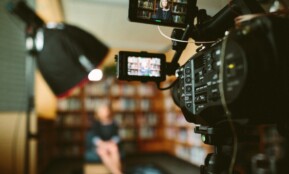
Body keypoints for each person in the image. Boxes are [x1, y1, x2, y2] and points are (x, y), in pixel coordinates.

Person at [92, 102, 122, 174]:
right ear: (98, 113)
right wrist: (102, 144)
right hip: (101, 145)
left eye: (106, 110)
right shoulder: (96, 124)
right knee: (102, 152)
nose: (105, 112)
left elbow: (117, 136)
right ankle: (117, 172)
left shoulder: (114, 123)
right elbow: (94, 137)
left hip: (111, 144)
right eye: (102, 111)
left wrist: (112, 142)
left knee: (114, 149)